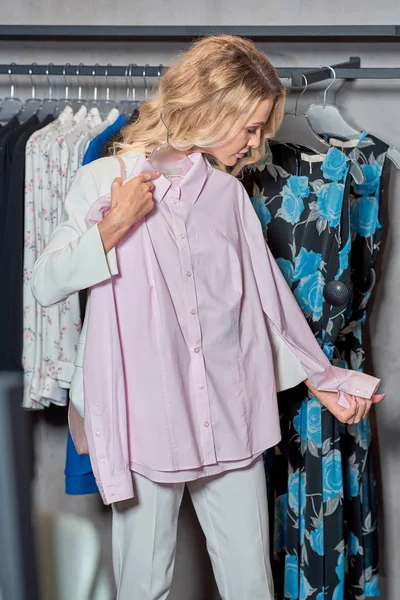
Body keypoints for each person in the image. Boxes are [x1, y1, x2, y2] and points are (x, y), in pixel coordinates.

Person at [31, 35, 384, 600]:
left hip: (230, 415)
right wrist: (114, 226)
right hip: (147, 421)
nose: (254, 145)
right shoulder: (105, 181)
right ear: (208, 106)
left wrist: (324, 382)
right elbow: (45, 283)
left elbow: (271, 302)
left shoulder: (227, 196)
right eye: (248, 128)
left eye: (261, 132)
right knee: (143, 587)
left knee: (250, 585)